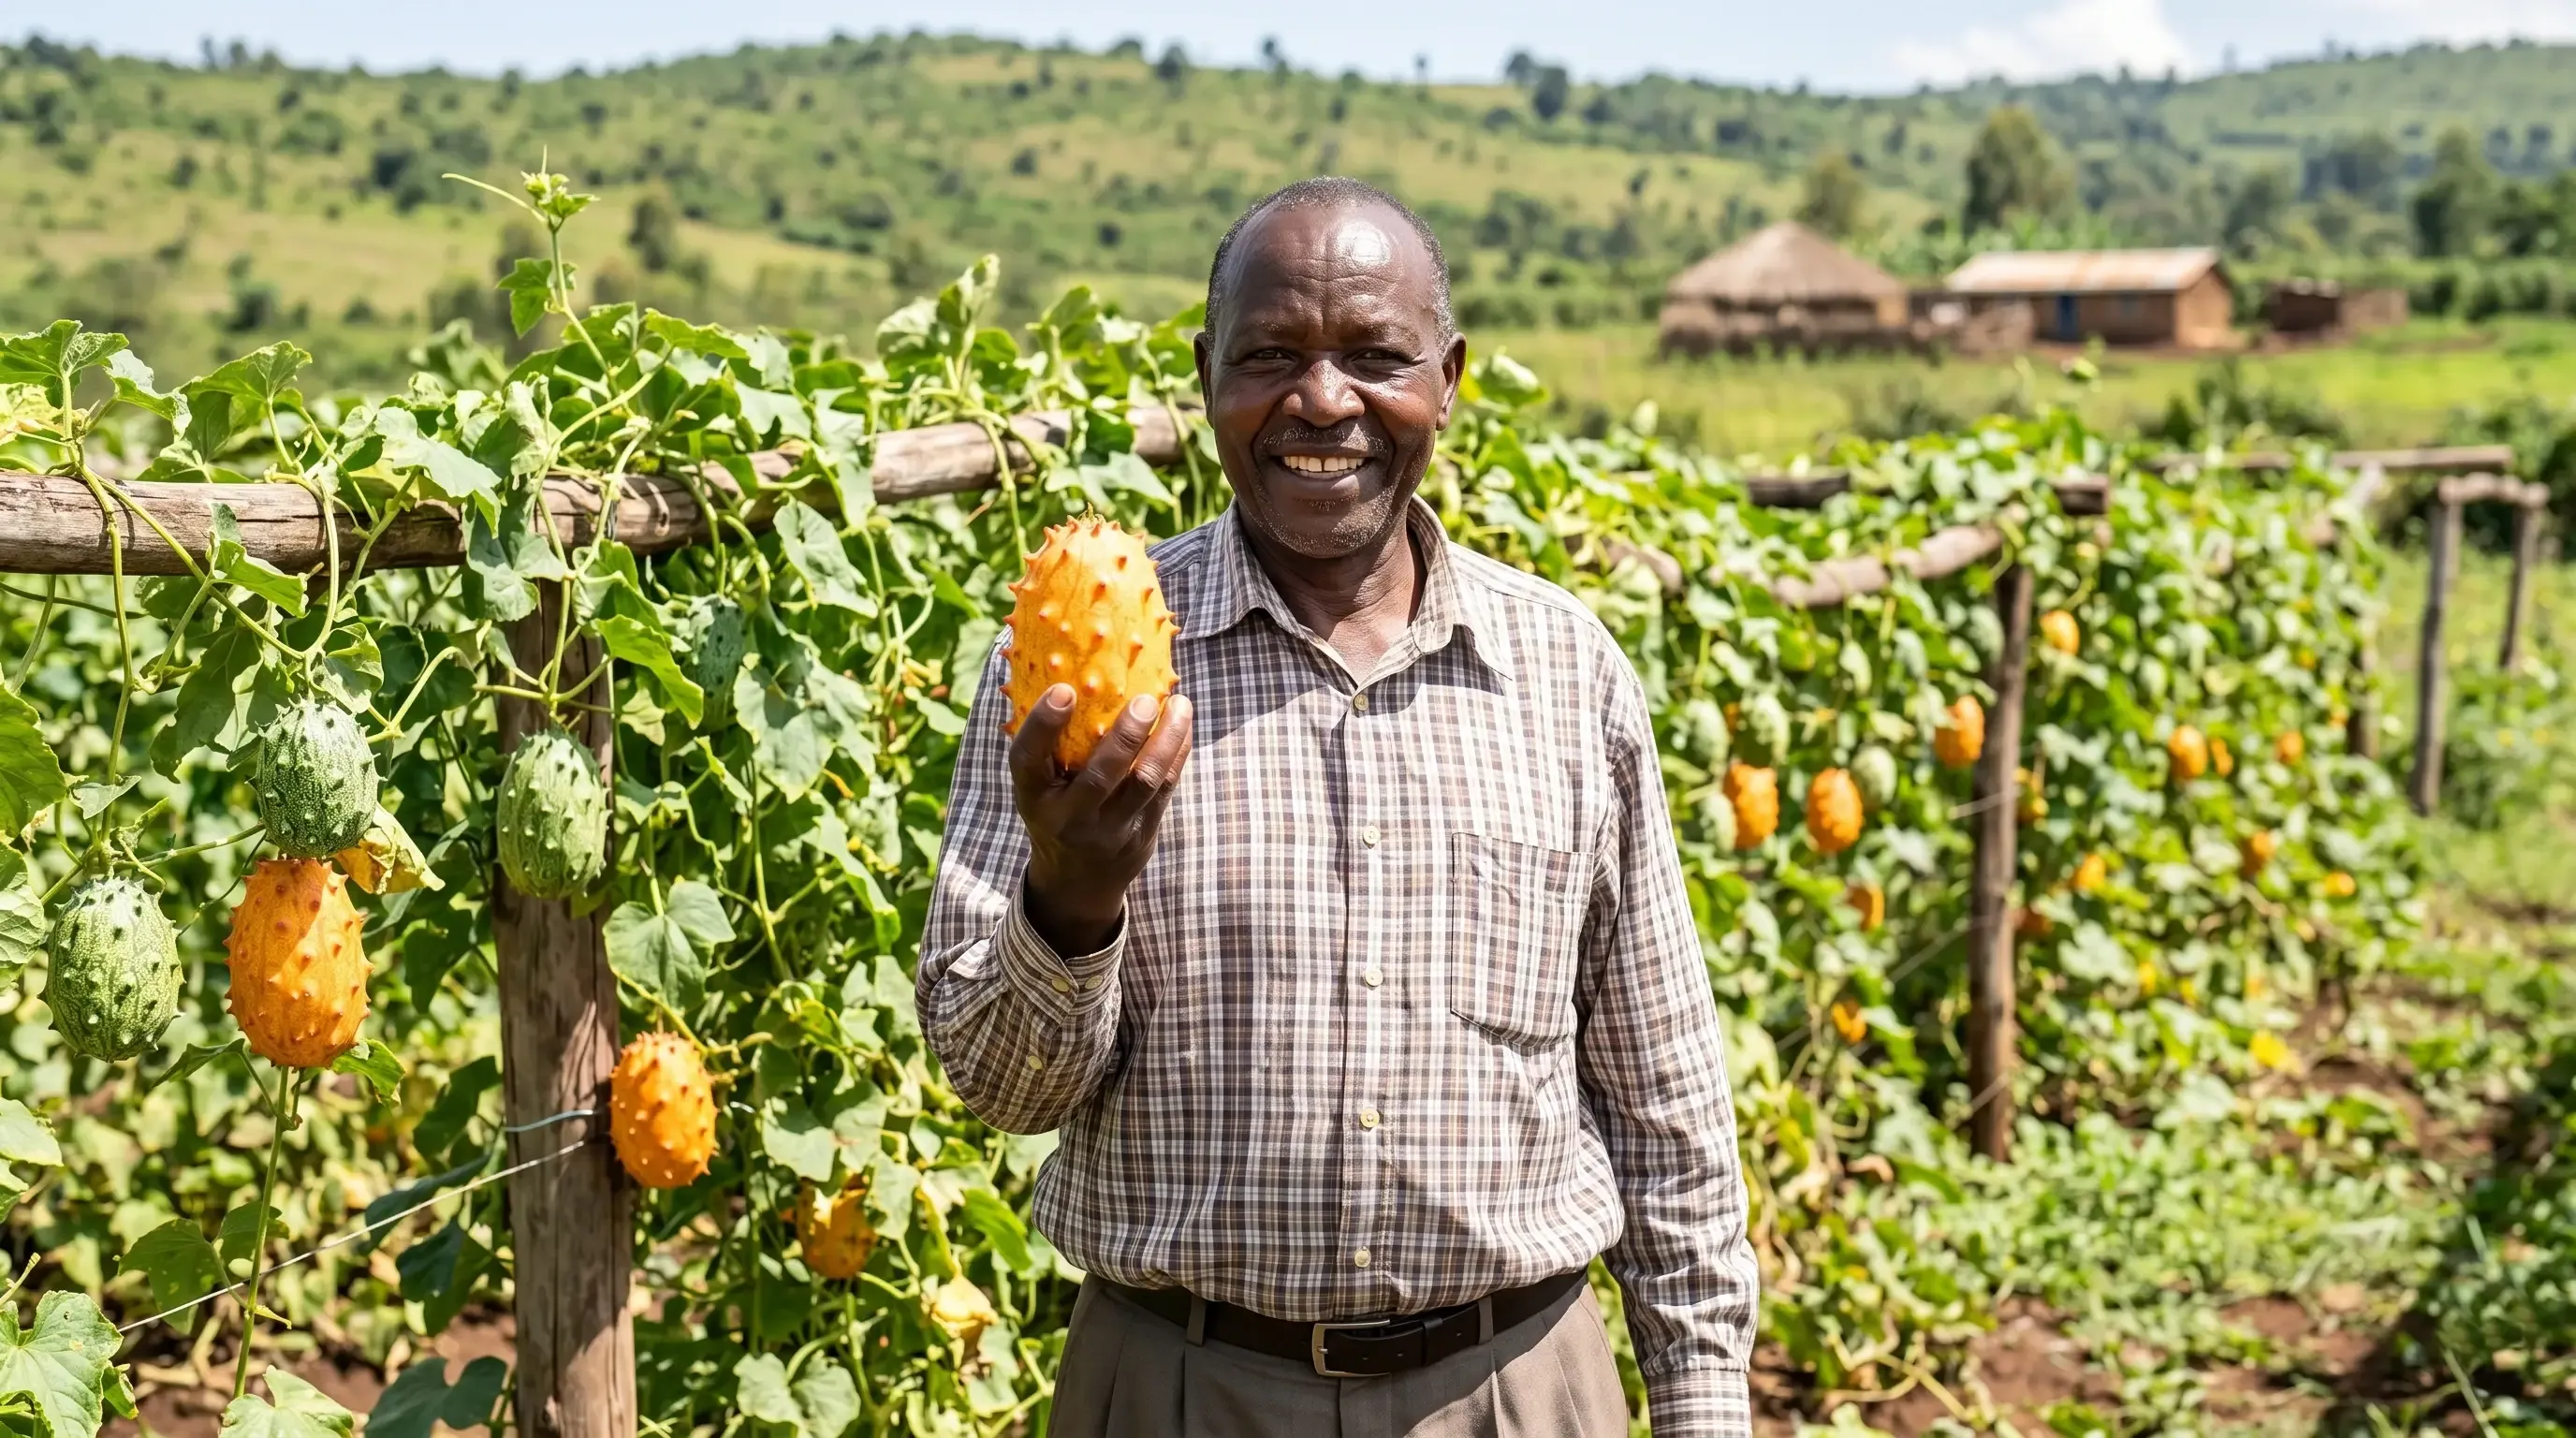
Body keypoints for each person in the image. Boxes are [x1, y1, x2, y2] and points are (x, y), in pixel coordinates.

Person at [918, 176, 1758, 1437]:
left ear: (1448, 379)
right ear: (1207, 377)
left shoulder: (1564, 670)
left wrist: (1701, 1403)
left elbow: (1664, 1097)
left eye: (1375, 356)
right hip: (1180, 1387)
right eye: (1270, 355)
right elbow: (998, 1092)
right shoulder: (1080, 676)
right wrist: (1070, 903)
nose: (1322, 400)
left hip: (1513, 1387)